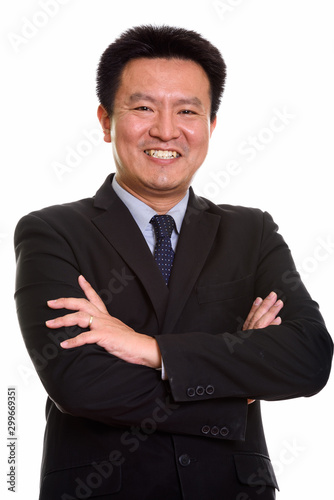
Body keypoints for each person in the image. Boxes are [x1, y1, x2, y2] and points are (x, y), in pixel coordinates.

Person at [14, 25, 332, 500]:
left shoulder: (252, 231)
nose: (165, 130)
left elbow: (309, 358)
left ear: (210, 126)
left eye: (187, 110)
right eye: (143, 108)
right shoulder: (53, 231)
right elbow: (79, 383)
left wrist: (150, 350)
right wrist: (234, 386)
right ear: (105, 121)